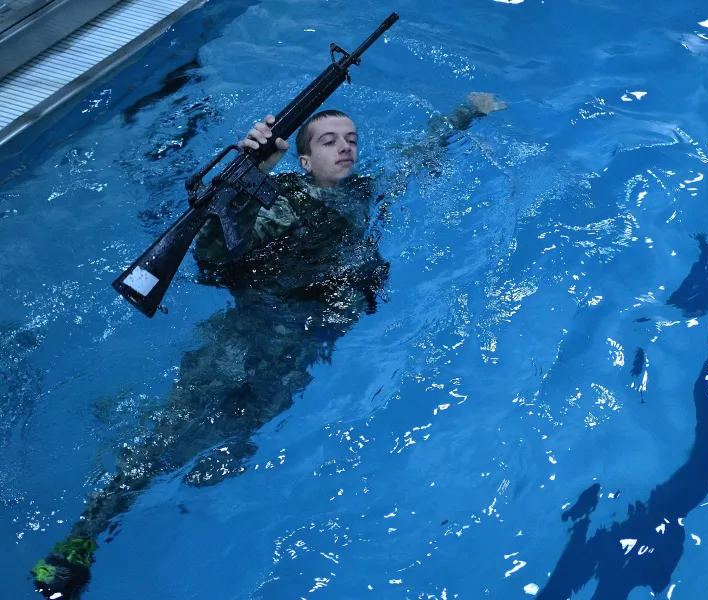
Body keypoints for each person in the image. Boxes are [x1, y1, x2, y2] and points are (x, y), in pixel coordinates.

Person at [31, 92, 507, 599]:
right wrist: (251, 178)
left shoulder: (362, 192)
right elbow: (215, 255)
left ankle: (169, 434)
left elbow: (418, 152)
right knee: (172, 433)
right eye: (329, 141)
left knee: (241, 427)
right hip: (245, 336)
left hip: (297, 348)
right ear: (305, 161)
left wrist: (468, 112)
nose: (345, 147)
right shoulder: (280, 202)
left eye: (351, 140)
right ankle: (80, 538)